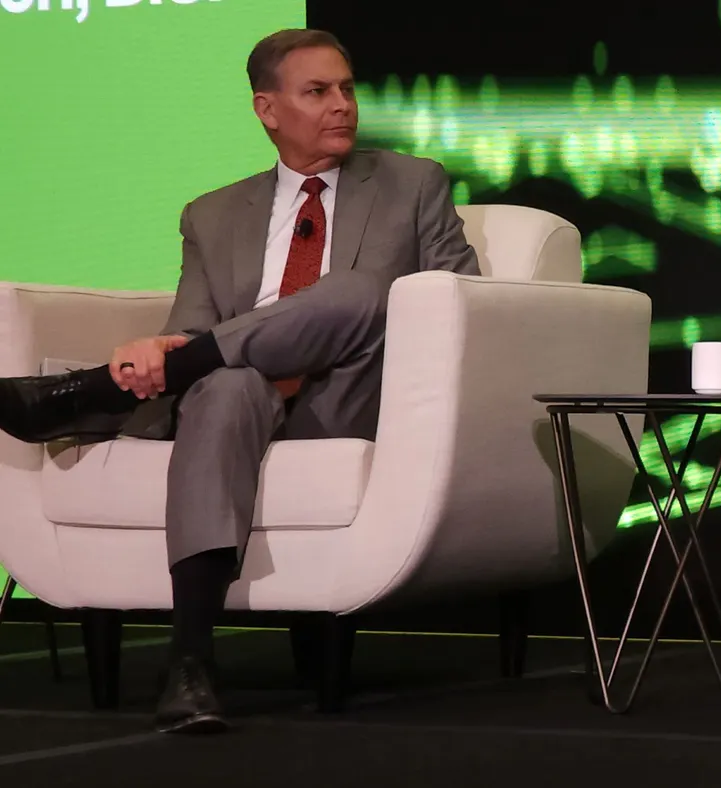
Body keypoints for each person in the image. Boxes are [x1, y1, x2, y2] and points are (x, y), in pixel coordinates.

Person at [0, 29, 479, 733]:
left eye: (346, 88)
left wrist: (175, 359)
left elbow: (463, 297)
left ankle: (91, 393)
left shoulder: (413, 184)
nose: (342, 105)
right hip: (239, 399)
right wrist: (181, 354)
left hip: (346, 394)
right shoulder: (213, 213)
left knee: (359, 293)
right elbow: (189, 333)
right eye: (317, 92)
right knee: (221, 386)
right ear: (267, 108)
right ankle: (191, 665)